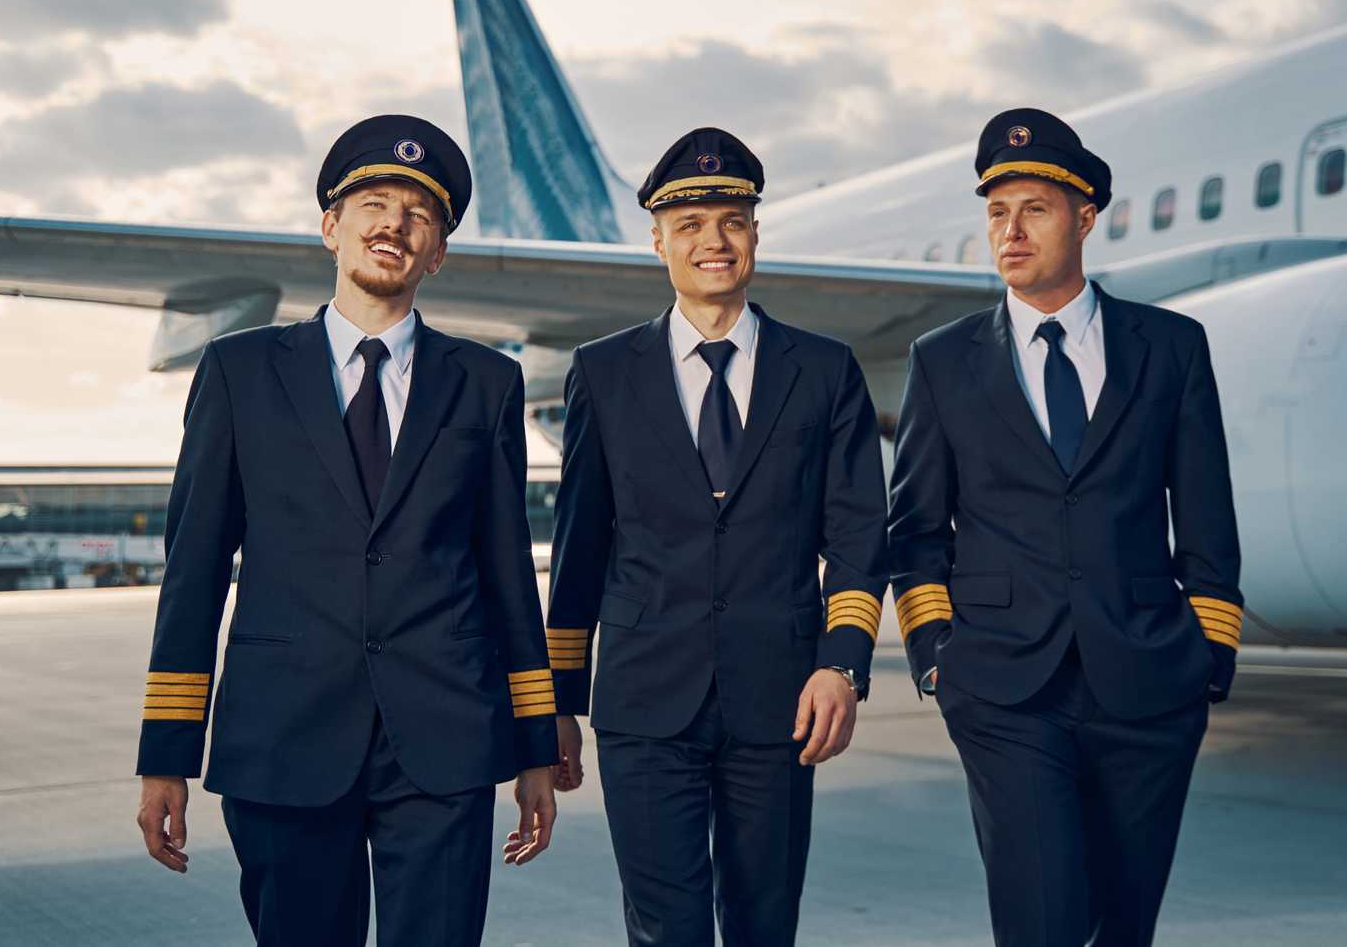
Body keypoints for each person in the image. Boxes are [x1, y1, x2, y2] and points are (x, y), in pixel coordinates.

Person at [133, 115, 558, 946]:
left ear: (437, 253)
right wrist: (165, 752)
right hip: (284, 738)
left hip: (443, 743)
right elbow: (193, 573)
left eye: (418, 213)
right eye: (372, 201)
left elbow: (508, 577)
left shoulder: (487, 385)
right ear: (331, 226)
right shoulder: (239, 372)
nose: (392, 223)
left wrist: (535, 743)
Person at [888, 108, 1244, 946]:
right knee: (1040, 920)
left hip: (1150, 685)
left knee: (1123, 927)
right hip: (1004, 688)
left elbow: (1206, 517)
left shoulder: (1171, 347)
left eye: (1035, 210)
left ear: (1086, 218)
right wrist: (939, 657)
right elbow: (915, 530)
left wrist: (1209, 660)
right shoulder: (941, 360)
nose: (1010, 232)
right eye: (996, 214)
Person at [545, 127, 890, 946]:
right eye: (691, 223)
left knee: (765, 923)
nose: (714, 240)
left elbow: (857, 536)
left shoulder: (825, 369)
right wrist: (558, 701)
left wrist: (841, 664)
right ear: (657, 240)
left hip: (780, 701)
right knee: (667, 928)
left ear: (756, 236)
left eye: (732, 220)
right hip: (643, 703)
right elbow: (580, 550)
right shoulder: (604, 371)